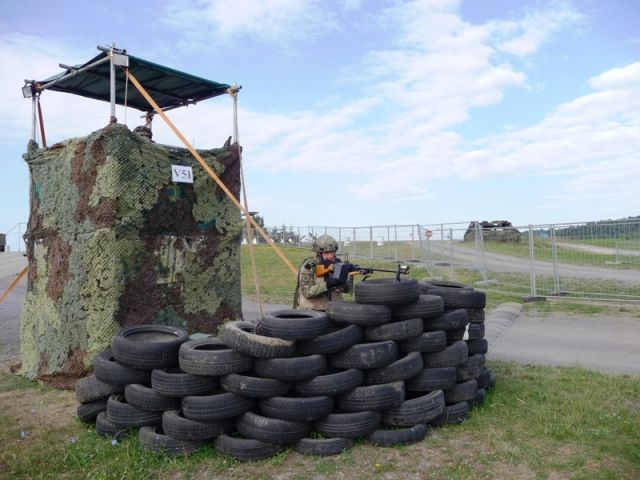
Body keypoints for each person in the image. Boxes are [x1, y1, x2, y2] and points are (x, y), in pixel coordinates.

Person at [293, 234, 351, 311]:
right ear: (319, 253)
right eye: (326, 253)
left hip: (335, 309)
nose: (330, 256)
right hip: (313, 310)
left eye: (332, 252)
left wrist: (344, 279)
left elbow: (347, 290)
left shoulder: (337, 264)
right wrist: (327, 284)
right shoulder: (310, 266)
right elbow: (307, 292)